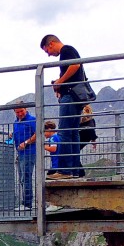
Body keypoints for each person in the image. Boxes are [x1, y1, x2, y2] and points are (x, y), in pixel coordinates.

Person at [40, 34, 87, 177]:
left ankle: (65, 171)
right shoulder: (68, 51)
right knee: (73, 133)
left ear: (51, 44)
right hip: (76, 97)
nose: (48, 54)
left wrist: (60, 82)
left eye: (47, 50)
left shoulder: (66, 50)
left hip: (70, 97)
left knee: (65, 132)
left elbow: (75, 65)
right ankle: (74, 170)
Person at [8, 104, 37, 209]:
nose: (20, 114)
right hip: (20, 153)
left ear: (26, 109)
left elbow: (37, 134)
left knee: (26, 177)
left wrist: (26, 142)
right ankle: (26, 202)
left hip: (29, 152)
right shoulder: (16, 122)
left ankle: (27, 203)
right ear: (14, 112)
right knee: (22, 178)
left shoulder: (32, 120)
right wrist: (12, 134)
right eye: (17, 112)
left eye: (21, 111)